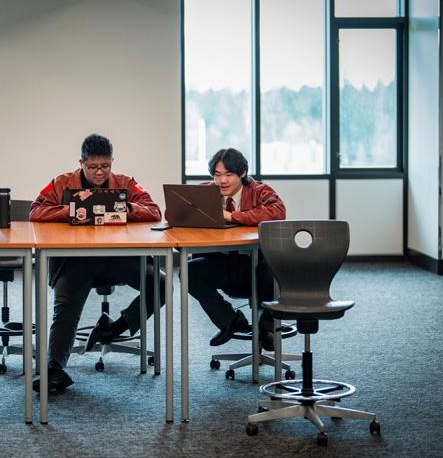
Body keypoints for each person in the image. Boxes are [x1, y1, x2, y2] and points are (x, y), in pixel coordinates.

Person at [29, 133, 165, 392]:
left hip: (119, 258)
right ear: (81, 163)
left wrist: (125, 208)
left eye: (105, 166)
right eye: (92, 167)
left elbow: (154, 211)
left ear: (112, 162)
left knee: (160, 283)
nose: (100, 172)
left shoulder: (125, 183)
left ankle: (114, 328)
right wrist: (76, 210)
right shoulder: (62, 183)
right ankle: (54, 369)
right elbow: (35, 211)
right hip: (75, 260)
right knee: (65, 308)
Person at [187, 147, 286, 352]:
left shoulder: (259, 190)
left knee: (273, 265)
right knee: (189, 271)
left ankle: (266, 328)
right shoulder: (205, 192)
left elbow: (278, 211)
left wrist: (232, 216)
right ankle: (230, 320)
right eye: (217, 175)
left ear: (242, 173)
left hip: (256, 266)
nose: (222, 181)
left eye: (229, 174)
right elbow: (173, 211)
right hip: (224, 263)